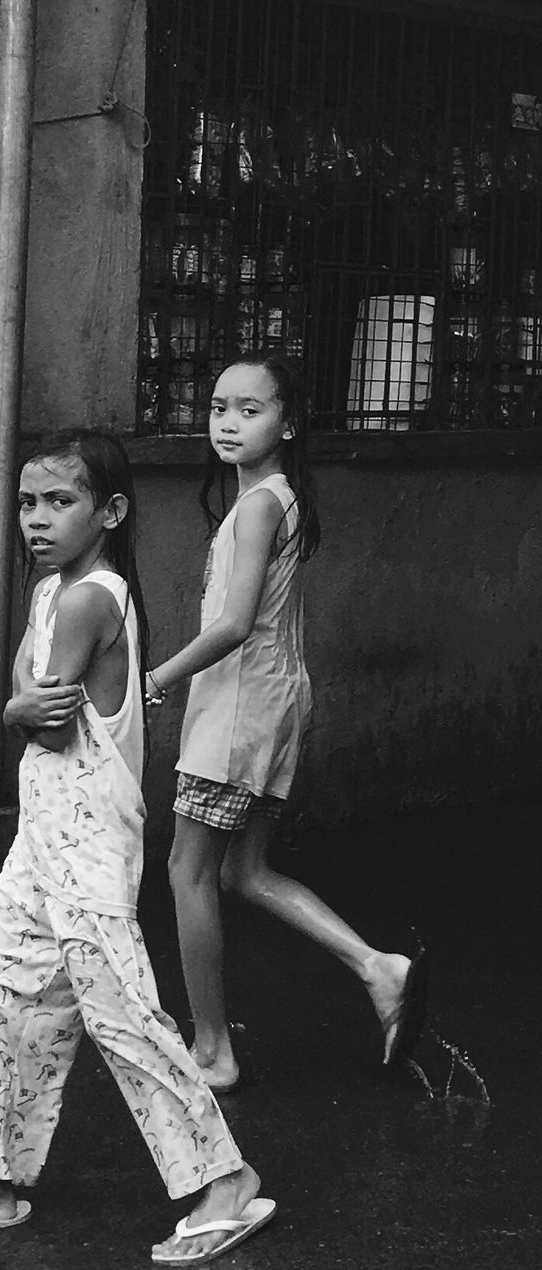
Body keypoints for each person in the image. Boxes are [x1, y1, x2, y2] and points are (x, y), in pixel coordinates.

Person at [0, 429, 276, 1265]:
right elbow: (29, 696)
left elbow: (41, 716)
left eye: (59, 502)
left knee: (122, 1011)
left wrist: (9, 709)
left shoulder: (87, 598)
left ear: (110, 511)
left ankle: (224, 1182)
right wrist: (19, 702)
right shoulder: (53, 589)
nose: (36, 518)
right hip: (44, 833)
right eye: (27, 501)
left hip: (89, 833)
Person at [145, 353, 428, 1095]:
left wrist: (157, 679)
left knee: (188, 869)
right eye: (218, 408)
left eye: (250, 409)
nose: (229, 423)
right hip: (268, 708)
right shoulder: (278, 498)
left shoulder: (263, 503)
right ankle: (377, 967)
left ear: (289, 423)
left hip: (238, 715)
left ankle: (212, 1049)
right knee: (244, 871)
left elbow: (236, 623)